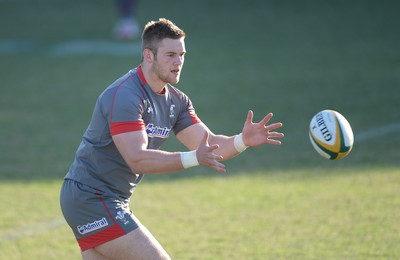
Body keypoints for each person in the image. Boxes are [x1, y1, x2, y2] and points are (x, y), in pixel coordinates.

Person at [60, 18, 284, 259]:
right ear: (148, 56)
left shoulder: (177, 101)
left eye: (182, 54)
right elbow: (138, 159)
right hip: (91, 197)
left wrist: (242, 140)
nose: (178, 62)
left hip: (106, 199)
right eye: (170, 55)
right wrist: (193, 159)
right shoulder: (126, 95)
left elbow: (209, 145)